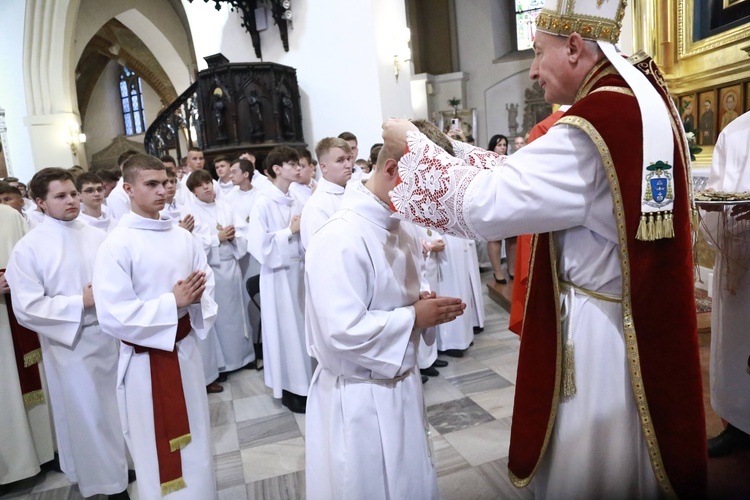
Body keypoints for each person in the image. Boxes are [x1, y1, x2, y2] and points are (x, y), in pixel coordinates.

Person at [382, 0, 706, 497]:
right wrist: (451, 152)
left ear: (574, 47)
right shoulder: (638, 99)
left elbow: (487, 206)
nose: (532, 71)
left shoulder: (593, 125)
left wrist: (414, 147)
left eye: (538, 53)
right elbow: (523, 176)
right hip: (633, 315)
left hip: (600, 330)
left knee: (593, 469)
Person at [304, 145, 466, 500]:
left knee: (410, 479)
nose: (426, 203)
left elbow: (408, 284)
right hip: (360, 395)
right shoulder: (339, 236)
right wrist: (412, 317)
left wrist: (423, 302)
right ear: (393, 169)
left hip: (401, 383)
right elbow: (341, 331)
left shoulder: (399, 222)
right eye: (424, 189)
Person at [93, 154, 219, 499]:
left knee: (197, 433)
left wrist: (196, 297)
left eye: (166, 182)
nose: (162, 190)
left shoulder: (182, 237)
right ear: (128, 189)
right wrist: (171, 303)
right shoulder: (117, 245)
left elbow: (204, 279)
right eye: (151, 184)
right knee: (154, 441)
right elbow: (113, 315)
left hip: (186, 352)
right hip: (145, 362)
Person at [6, 168, 130, 499]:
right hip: (70, 345)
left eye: (73, 193)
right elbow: (28, 307)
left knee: (118, 410)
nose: (72, 200)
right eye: (60, 196)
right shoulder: (28, 248)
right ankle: (107, 486)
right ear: (40, 203)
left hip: (110, 336)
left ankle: (124, 466)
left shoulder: (96, 234)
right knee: (89, 418)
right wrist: (81, 302)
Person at [247, 146, 311, 413]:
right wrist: (289, 231)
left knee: (302, 330)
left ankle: (307, 383)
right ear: (276, 169)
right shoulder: (263, 202)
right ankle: (291, 388)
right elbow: (258, 246)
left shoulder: (296, 197)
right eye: (292, 164)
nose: (298, 168)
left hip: (299, 273)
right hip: (278, 277)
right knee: (286, 332)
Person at [701, 110, 750, 457]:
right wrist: (713, 205)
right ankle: (737, 425)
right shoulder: (735, 131)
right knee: (734, 347)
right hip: (738, 261)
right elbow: (716, 189)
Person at [0, 204, 55, 490]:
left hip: (20, 318)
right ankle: (10, 469)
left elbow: (34, 259)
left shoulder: (8, 215)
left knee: (36, 382)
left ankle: (44, 453)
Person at [186, 169, 255, 374]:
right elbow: (191, 244)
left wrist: (234, 237)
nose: (207, 186)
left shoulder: (225, 206)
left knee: (238, 313)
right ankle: (226, 364)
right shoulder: (190, 213)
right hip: (210, 272)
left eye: (208, 182)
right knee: (220, 318)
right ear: (193, 191)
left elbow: (243, 232)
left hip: (231, 268)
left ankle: (244, 357)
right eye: (200, 185)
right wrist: (218, 238)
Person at [300, 137, 352, 249]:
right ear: (324, 167)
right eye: (340, 160)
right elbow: (318, 251)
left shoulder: (354, 193)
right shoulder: (317, 205)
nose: (348, 165)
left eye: (349, 158)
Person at [485, 134, 515, 285]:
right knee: (495, 238)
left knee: (512, 238)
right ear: (492, 146)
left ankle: (512, 269)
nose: (502, 147)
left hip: (509, 202)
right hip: (492, 202)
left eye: (504, 144)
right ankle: (498, 272)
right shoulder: (485, 161)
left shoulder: (511, 161)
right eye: (499, 145)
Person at [107, 150, 140, 219]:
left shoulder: (142, 186)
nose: (140, 167)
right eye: (135, 164)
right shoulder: (117, 195)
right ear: (123, 167)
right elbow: (125, 222)